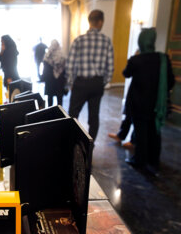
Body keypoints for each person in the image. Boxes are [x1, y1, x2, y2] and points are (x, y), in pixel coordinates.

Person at [123, 28, 175, 175]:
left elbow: (126, 74)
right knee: (154, 132)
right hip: (157, 104)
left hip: (139, 103)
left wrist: (134, 56)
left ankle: (139, 160)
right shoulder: (163, 58)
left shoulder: (136, 59)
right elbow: (170, 81)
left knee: (141, 132)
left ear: (141, 41)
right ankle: (153, 160)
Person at [66, 9, 114, 140]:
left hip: (80, 83)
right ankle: (89, 146)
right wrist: (102, 82)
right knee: (94, 117)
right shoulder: (106, 41)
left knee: (72, 114)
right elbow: (110, 67)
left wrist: (71, 83)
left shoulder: (78, 41)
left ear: (89, 22)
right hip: (97, 83)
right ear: (100, 22)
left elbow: (70, 65)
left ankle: (72, 143)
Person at [41, 39, 67, 106]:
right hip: (60, 79)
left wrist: (43, 77)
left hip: (50, 80)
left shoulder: (47, 55)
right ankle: (60, 114)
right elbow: (65, 68)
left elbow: (45, 68)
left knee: (50, 98)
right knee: (60, 99)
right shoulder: (62, 55)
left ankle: (50, 114)